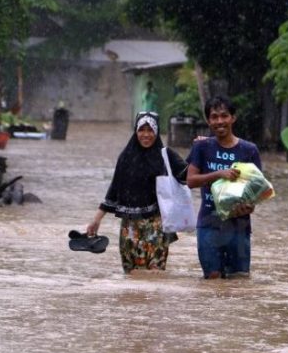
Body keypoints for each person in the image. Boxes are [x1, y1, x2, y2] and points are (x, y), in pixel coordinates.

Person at [86, 112, 187, 274]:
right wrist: (96, 220)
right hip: (129, 226)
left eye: (150, 130)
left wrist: (200, 148)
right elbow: (113, 191)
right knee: (133, 275)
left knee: (155, 274)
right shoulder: (126, 157)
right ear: (136, 131)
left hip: (157, 224)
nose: (146, 135)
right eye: (141, 130)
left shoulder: (165, 155)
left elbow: (188, 175)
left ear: (156, 132)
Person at [186, 95, 262, 279]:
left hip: (239, 226)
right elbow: (191, 181)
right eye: (214, 117)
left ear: (233, 118)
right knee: (212, 281)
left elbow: (257, 189)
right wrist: (219, 174)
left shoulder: (249, 150)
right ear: (208, 120)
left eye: (224, 116)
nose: (219, 121)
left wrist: (250, 205)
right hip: (209, 224)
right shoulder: (202, 147)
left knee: (239, 282)